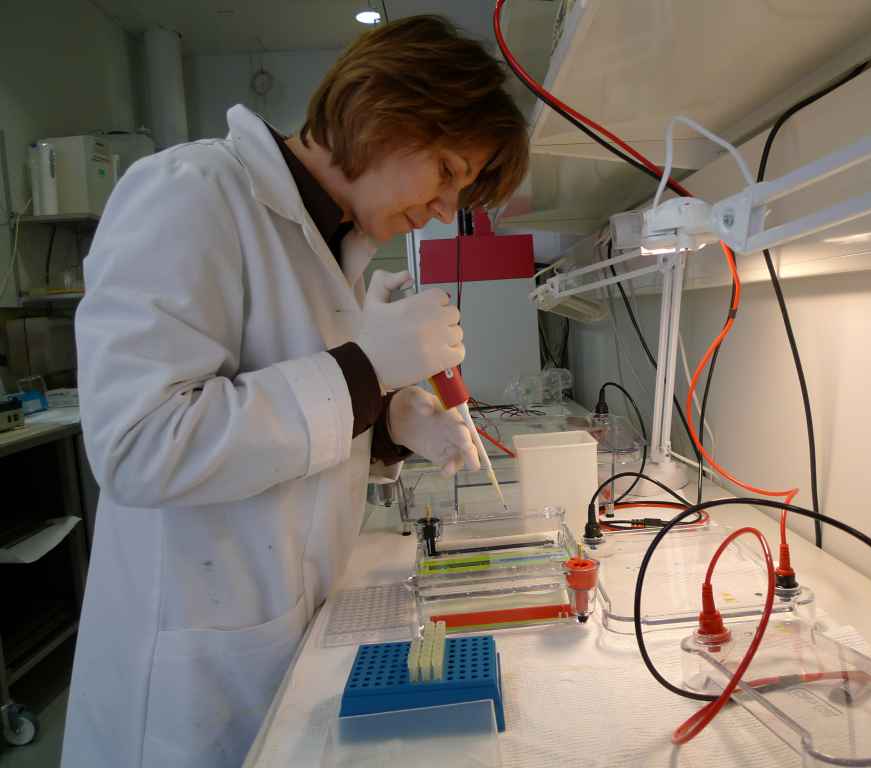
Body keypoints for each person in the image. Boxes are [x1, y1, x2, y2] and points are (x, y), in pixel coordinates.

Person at [62, 15, 528, 767]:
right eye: (447, 172)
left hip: (281, 639)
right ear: (384, 110)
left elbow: (282, 414)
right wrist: (365, 373)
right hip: (191, 685)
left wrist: (393, 421)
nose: (447, 211)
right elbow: (140, 445)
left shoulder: (332, 244)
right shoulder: (192, 193)